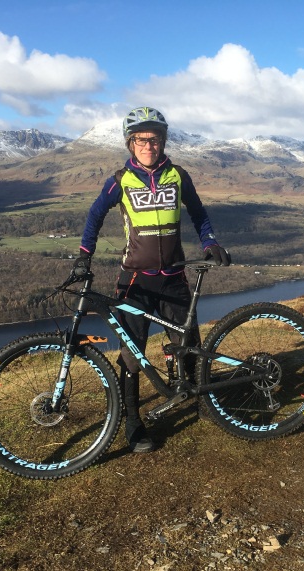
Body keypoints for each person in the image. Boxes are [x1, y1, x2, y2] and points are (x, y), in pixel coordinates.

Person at [73, 106, 230, 453]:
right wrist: (84, 256)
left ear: (162, 141)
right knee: (132, 355)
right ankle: (133, 422)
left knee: (189, 343)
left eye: (155, 139)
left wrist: (210, 242)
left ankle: (202, 401)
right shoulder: (120, 180)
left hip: (174, 276)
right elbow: (95, 215)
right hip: (135, 281)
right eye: (141, 139)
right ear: (131, 143)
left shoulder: (178, 176)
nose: (149, 145)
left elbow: (199, 213)